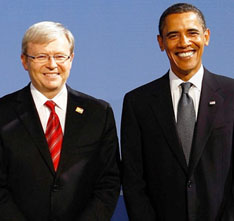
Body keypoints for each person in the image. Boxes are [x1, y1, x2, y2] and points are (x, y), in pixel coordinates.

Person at [121, 3, 234, 221]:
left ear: (206, 36)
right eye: (173, 35)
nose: (184, 43)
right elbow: (133, 180)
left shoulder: (231, 95)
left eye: (192, 33)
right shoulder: (138, 103)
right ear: (161, 43)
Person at [0, 21, 120, 221]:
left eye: (59, 56)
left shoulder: (98, 113)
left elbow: (109, 181)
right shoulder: (3, 112)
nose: (52, 64)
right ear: (24, 61)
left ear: (71, 59)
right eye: (41, 56)